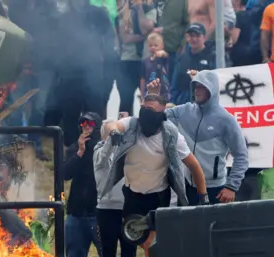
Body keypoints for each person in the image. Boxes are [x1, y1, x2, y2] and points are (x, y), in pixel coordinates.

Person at [99, 94, 207, 228]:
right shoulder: (132, 124)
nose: (144, 112)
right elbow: (111, 124)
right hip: (132, 192)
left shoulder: (172, 136)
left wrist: (204, 197)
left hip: (158, 195)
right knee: (133, 235)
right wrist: (114, 132)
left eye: (149, 109)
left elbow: (194, 165)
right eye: (142, 107)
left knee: (152, 240)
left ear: (161, 114)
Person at [148, 70, 249, 204]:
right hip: (187, 186)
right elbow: (154, 118)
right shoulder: (184, 111)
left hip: (215, 189)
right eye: (195, 86)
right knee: (187, 225)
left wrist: (231, 187)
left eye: (202, 86)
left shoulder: (226, 120)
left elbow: (241, 155)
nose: (197, 90)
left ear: (212, 90)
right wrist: (153, 96)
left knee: (211, 225)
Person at [63, 112, 121, 257]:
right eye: (82, 123)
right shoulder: (75, 148)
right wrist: (79, 152)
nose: (86, 127)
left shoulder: (105, 148)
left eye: (90, 124)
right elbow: (64, 173)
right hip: (76, 213)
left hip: (99, 214)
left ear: (96, 126)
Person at [43, 0, 116, 146]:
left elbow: (109, 38)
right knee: (70, 114)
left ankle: (95, 149)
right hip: (68, 72)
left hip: (92, 70)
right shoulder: (64, 17)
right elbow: (56, 43)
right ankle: (72, 150)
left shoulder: (99, 13)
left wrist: (105, 59)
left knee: (94, 113)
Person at [93, 117, 138, 257]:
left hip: (127, 209)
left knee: (130, 256)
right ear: (105, 135)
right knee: (108, 256)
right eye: (110, 133)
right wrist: (113, 136)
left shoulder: (127, 152)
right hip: (106, 209)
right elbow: (105, 154)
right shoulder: (98, 152)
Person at [116, 0, 158, 115]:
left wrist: (139, 10)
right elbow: (126, 38)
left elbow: (145, 28)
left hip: (146, 61)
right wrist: (145, 36)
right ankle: (123, 130)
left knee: (149, 100)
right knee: (126, 101)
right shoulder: (124, 12)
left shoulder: (149, 10)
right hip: (127, 61)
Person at [170, 23, 215, 105]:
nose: (194, 39)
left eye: (197, 36)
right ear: (187, 38)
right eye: (191, 36)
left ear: (204, 38)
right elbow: (174, 85)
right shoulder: (182, 58)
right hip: (184, 105)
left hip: (205, 105)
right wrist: (173, 102)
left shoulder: (212, 57)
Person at [158, 0, 190, 78]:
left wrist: (183, 44)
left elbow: (188, 23)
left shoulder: (181, 2)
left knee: (171, 82)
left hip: (173, 50)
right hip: (150, 52)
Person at [141, 33, 171, 102]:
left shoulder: (163, 58)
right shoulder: (145, 62)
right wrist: (142, 94)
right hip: (149, 91)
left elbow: (165, 55)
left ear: (162, 46)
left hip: (164, 92)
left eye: (156, 45)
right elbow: (142, 78)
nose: (153, 47)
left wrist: (162, 53)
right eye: (150, 45)